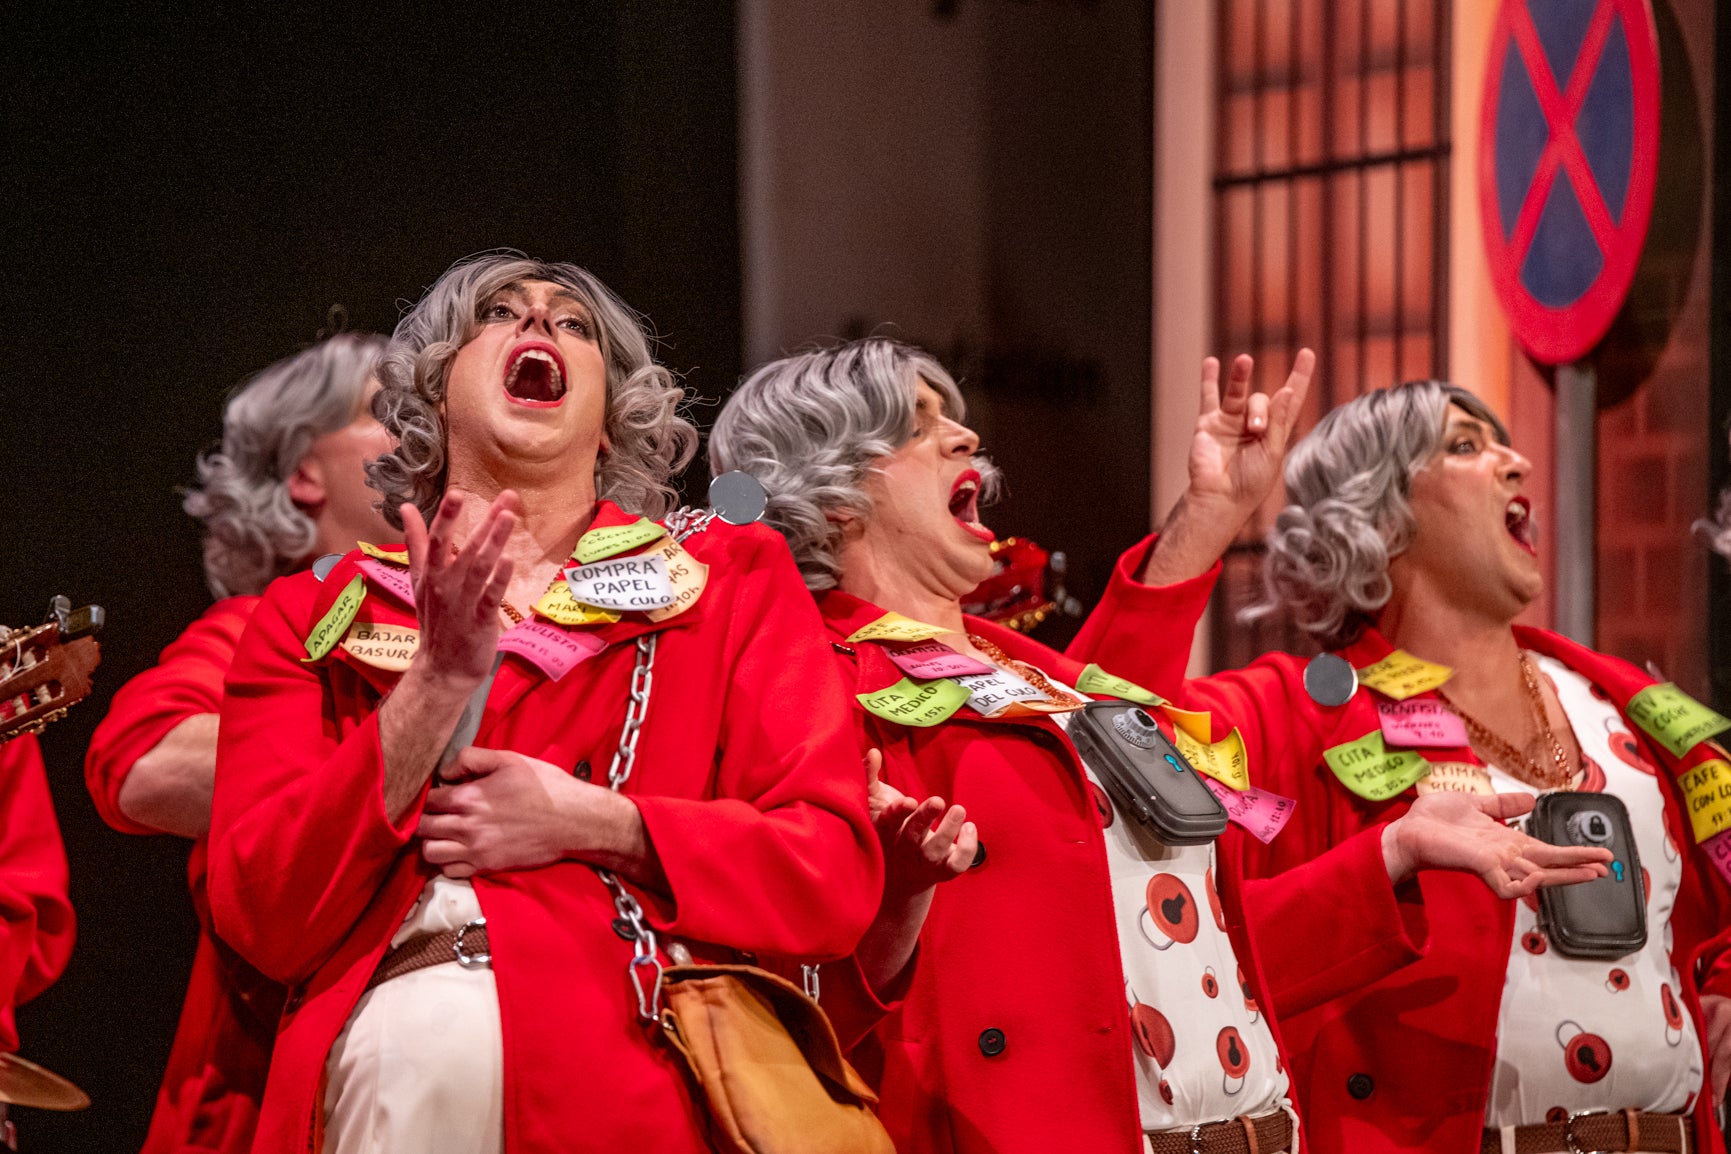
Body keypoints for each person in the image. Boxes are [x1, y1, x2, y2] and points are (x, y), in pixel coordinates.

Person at [709, 339, 1600, 1153]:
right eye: (917, 428)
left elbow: (1201, 952)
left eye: (953, 418)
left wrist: (1392, 852)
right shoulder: (812, 685)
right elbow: (787, 996)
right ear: (828, 494)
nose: (966, 439)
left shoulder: (1051, 678)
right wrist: (895, 906)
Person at [206, 254, 880, 1154]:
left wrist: (604, 823)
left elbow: (828, 872)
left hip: (637, 1071)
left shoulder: (726, 578)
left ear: (611, 424)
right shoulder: (309, 614)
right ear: (432, 403)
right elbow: (265, 915)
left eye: (573, 324)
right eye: (498, 314)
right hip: (394, 1077)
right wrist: (436, 682)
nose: (538, 326)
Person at [1070, 375, 1731, 1154]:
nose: (1517, 463)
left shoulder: (1627, 705)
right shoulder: (1297, 714)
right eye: (1463, 446)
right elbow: (1102, 740)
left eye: (1501, 442)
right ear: (1377, 519)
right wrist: (1208, 518)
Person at [84, 332, 391, 1154]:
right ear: (303, 472)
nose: (418, 431)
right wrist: (408, 739)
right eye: (382, 412)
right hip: (265, 1098)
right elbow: (140, 765)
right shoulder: (254, 626)